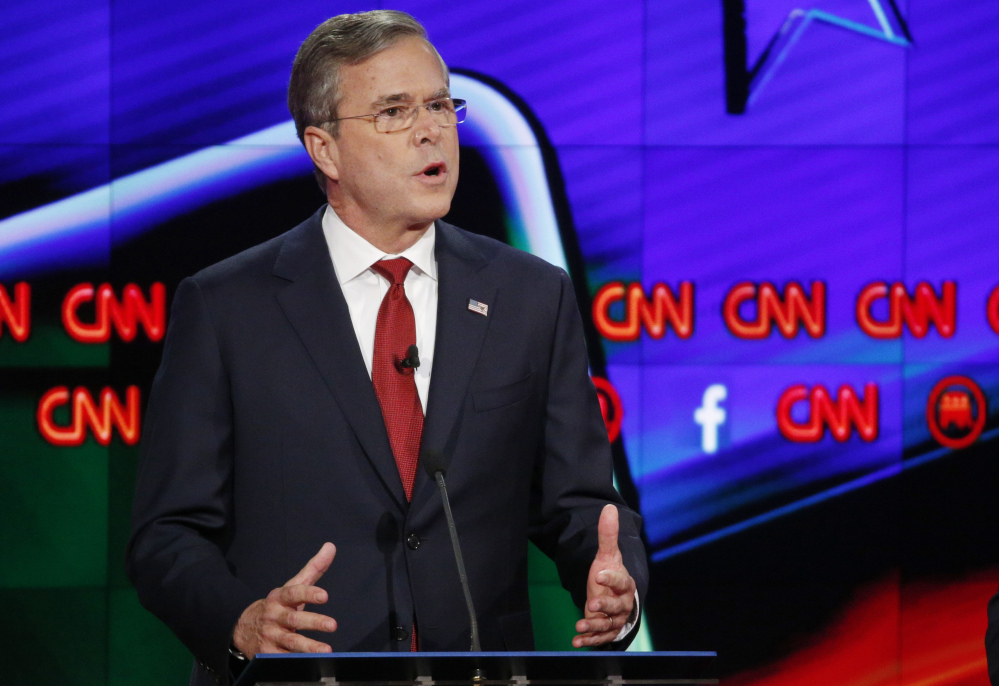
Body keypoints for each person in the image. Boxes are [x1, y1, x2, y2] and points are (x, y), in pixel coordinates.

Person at [126, 10, 648, 686]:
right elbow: (165, 536)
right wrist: (241, 621)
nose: (430, 130)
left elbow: (579, 504)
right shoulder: (227, 307)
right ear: (325, 150)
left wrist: (615, 582)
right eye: (394, 112)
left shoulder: (530, 296)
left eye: (439, 104)